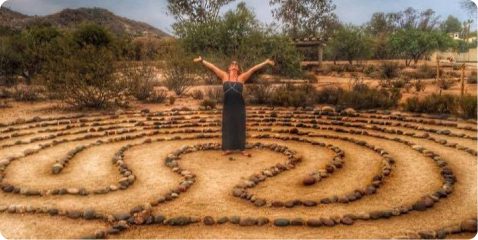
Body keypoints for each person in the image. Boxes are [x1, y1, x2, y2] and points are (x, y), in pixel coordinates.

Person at [194, 57, 275, 156]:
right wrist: (202, 60)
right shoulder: (224, 76)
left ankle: (242, 149)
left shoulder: (242, 78)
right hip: (228, 105)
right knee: (227, 126)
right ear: (229, 68)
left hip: (239, 106)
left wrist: (265, 62)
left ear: (238, 69)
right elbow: (213, 67)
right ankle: (227, 148)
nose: (234, 66)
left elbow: (254, 69)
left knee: (240, 126)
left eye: (236, 65)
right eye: (232, 64)